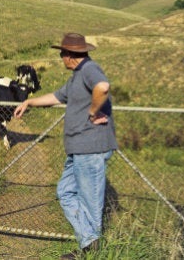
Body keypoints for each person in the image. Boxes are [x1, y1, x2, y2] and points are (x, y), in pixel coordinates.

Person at [14, 33, 117, 259]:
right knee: (65, 191)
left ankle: (90, 251)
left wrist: (92, 112)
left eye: (62, 54)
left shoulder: (89, 69)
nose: (61, 58)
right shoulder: (76, 76)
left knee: (90, 202)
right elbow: (57, 97)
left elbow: (103, 86)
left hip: (90, 147)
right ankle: (90, 243)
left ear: (70, 55)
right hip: (78, 149)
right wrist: (29, 101)